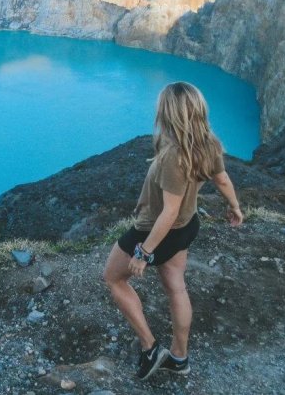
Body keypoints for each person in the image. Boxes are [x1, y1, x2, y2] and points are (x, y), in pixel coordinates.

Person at [102, 81, 244, 381]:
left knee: (113, 278)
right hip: (187, 227)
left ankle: (149, 346)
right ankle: (179, 358)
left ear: (168, 114)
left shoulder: (172, 157)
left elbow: (168, 212)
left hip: (153, 232)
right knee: (176, 286)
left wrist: (143, 252)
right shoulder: (208, 143)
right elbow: (222, 179)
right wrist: (235, 206)